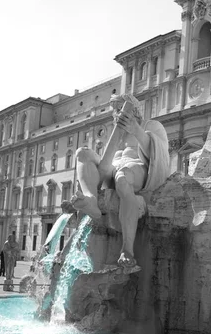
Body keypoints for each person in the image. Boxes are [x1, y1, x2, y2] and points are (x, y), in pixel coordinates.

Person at [69, 93, 170, 270]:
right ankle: (90, 199)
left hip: (137, 169)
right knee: (82, 153)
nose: (115, 114)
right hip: (114, 168)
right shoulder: (116, 132)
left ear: (134, 110)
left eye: (118, 109)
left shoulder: (152, 125)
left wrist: (136, 130)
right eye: (114, 111)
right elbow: (107, 162)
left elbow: (160, 154)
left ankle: (127, 250)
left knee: (122, 179)